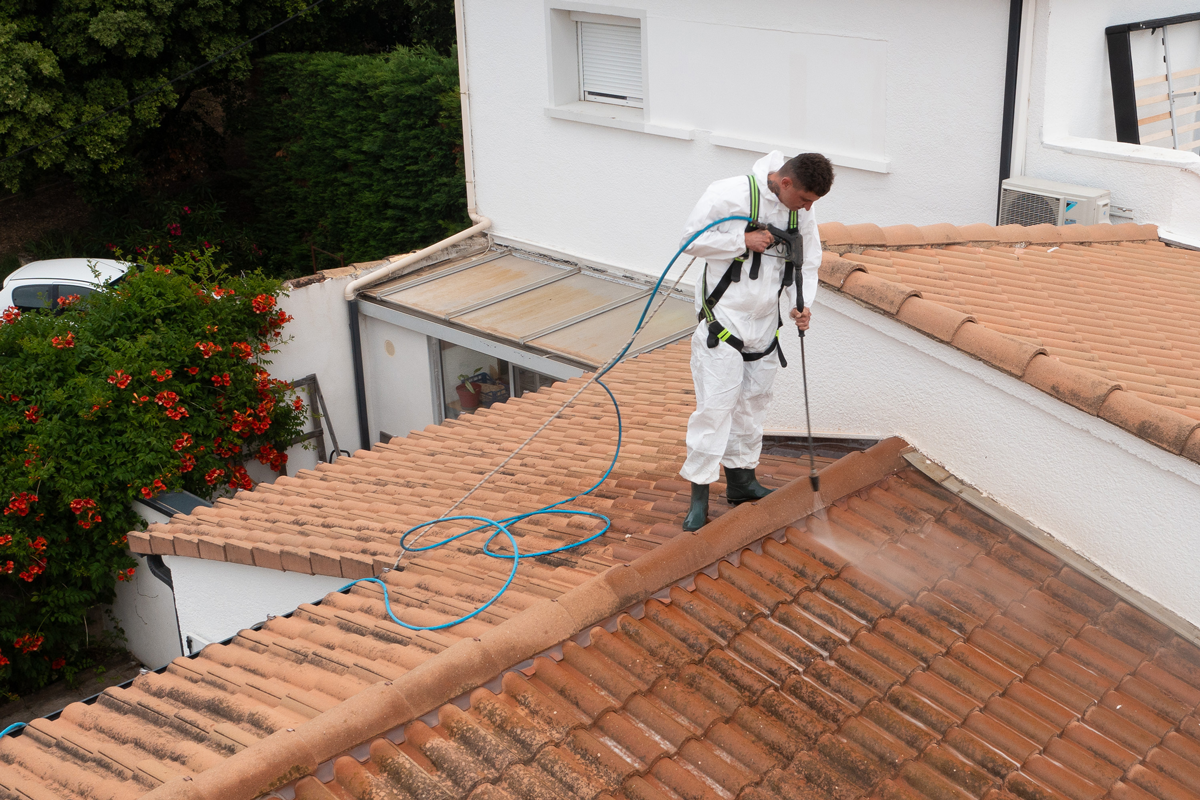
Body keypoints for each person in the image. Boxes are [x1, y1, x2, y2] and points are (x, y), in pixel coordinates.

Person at [678, 150, 833, 531]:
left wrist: (801, 304)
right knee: (716, 407)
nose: (808, 208)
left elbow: (809, 261)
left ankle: (742, 482)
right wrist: (742, 240)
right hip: (724, 319)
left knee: (753, 403)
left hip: (765, 324)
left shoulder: (800, 212)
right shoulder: (730, 193)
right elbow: (690, 241)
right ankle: (699, 494)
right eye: (805, 199)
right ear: (785, 182)